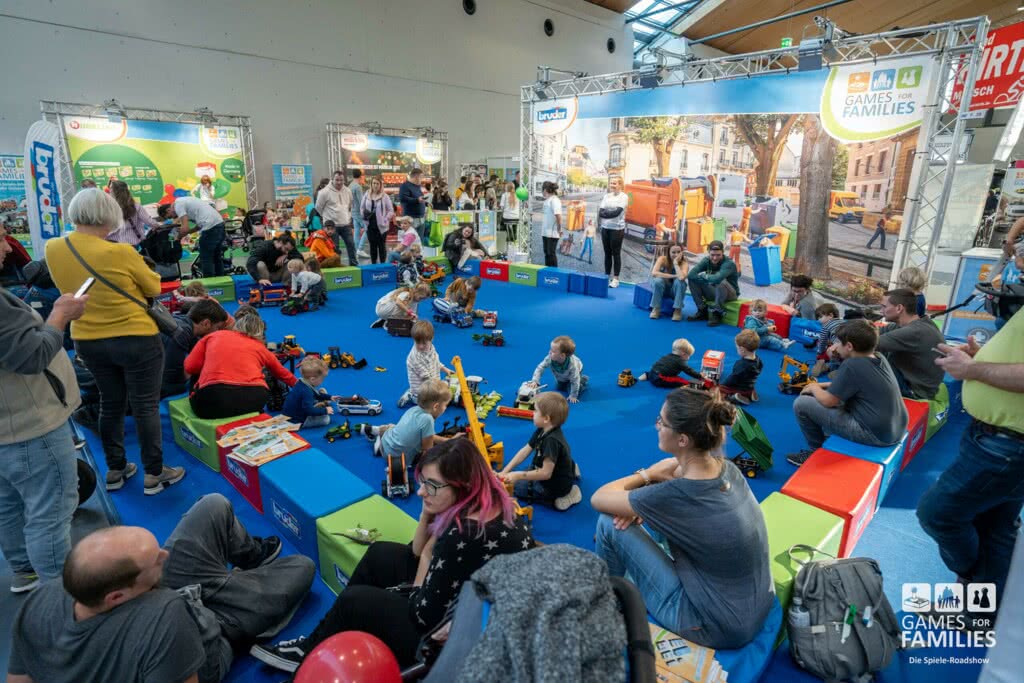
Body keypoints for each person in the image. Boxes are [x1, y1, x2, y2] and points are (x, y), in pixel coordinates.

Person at [253, 438, 533, 673]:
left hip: (455, 642)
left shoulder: (461, 533)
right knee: (380, 553)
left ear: (462, 486)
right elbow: (414, 551)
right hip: (467, 604)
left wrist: (423, 562)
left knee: (355, 602)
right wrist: (426, 515)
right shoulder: (485, 502)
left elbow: (422, 614)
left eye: (432, 485)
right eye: (422, 482)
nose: (421, 491)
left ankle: (311, 651)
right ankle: (325, 635)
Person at [9, 493, 314, 683]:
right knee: (302, 567)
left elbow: (17, 679)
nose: (165, 556)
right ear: (117, 596)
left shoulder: (43, 597)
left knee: (213, 505)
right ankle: (244, 616)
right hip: (211, 631)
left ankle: (249, 560)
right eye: (155, 560)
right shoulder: (164, 618)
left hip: (173, 600)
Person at [591, 388, 774, 649]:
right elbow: (676, 489)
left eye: (662, 422)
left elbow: (599, 498)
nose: (657, 426)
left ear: (683, 440)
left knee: (609, 523)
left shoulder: (676, 494)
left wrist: (648, 474)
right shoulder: (728, 469)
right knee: (644, 505)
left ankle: (604, 603)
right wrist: (646, 502)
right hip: (753, 607)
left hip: (712, 626)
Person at [48, 189, 184, 496]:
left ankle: (116, 469)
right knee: (145, 405)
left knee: (110, 403)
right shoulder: (121, 252)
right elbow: (153, 286)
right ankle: (154, 473)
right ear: (109, 215)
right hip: (136, 337)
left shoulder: (54, 248)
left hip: (87, 339)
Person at [918, 291, 1024, 609]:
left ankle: (975, 584)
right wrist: (980, 359)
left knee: (938, 514)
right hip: (998, 439)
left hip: (1007, 445)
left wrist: (974, 370)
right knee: (995, 526)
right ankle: (981, 609)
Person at [0, 234, 86, 593]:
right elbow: (32, 356)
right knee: (50, 512)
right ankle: (60, 596)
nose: (8, 248)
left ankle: (26, 571)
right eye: (0, 239)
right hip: (29, 426)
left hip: (10, 429)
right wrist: (60, 317)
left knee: (10, 504)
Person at [788, 320, 909, 466]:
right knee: (830, 395)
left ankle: (815, 452)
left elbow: (829, 401)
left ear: (849, 346)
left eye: (839, 343)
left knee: (802, 403)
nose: (836, 346)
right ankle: (829, 435)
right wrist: (821, 385)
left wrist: (814, 388)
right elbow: (853, 384)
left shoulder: (852, 365)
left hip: (874, 435)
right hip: (896, 429)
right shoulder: (878, 357)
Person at [184, 314, 298, 419]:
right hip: (255, 398)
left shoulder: (214, 336)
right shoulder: (262, 348)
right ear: (260, 332)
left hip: (211, 400)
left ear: (237, 325)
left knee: (198, 374)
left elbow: (190, 367)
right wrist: (304, 388)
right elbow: (284, 374)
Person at [499, 392, 582, 510]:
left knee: (516, 487)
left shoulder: (551, 441)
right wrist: (505, 471)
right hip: (555, 470)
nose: (533, 413)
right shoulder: (543, 429)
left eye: (536, 411)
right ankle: (570, 470)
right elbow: (525, 450)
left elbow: (545, 474)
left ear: (546, 418)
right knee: (519, 474)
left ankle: (570, 494)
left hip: (553, 485)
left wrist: (518, 475)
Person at [358, 379, 461, 459]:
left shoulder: (414, 410)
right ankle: (379, 448)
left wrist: (447, 440)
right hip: (396, 457)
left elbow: (429, 436)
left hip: (387, 441)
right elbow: (427, 450)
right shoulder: (428, 420)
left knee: (393, 427)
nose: (445, 408)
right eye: (445, 405)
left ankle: (376, 432)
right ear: (436, 406)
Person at [876, 288, 945, 399]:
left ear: (899, 308)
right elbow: (872, 333)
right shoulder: (916, 323)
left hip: (915, 392)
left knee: (862, 359)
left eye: (884, 306)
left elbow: (868, 343)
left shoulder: (914, 332)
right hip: (914, 382)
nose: (881, 311)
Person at [161, 299, 231, 398]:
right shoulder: (180, 333)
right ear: (206, 323)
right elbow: (172, 376)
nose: (218, 333)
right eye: (218, 328)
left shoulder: (184, 324)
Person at [157, 196, 227, 278]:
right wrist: (188, 232)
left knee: (206, 257)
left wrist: (176, 239)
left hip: (210, 227)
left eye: (170, 216)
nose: (173, 218)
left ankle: (209, 281)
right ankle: (221, 279)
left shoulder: (178, 204)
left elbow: (185, 228)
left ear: (168, 210)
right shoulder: (186, 203)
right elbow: (198, 226)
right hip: (220, 224)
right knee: (216, 256)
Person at [398, 320, 453, 408]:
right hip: (423, 387)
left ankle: (412, 393)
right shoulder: (415, 357)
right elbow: (426, 378)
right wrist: (441, 386)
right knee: (429, 402)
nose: (420, 346)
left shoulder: (431, 348)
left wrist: (445, 369)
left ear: (431, 339)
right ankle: (411, 395)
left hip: (431, 381)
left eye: (424, 343)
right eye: (417, 343)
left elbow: (435, 361)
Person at [687, 240, 739, 327]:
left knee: (720, 281)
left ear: (723, 252)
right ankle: (702, 310)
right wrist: (707, 279)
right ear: (708, 252)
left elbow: (717, 279)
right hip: (714, 290)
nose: (715, 258)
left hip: (730, 294)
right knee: (692, 280)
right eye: (712, 255)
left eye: (718, 255)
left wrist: (704, 276)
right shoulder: (706, 260)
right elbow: (691, 275)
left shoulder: (728, 263)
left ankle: (717, 312)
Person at [283, 356, 343, 429]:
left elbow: (316, 394)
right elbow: (309, 410)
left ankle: (321, 403)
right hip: (298, 420)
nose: (322, 381)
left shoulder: (301, 383)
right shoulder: (306, 392)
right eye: (322, 379)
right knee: (326, 419)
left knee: (314, 397)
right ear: (312, 379)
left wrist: (330, 397)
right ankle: (321, 405)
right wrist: (325, 410)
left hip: (290, 414)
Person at [529, 335, 587, 404]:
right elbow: (540, 368)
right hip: (562, 374)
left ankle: (582, 381)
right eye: (550, 349)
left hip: (576, 373)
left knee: (571, 387)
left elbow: (575, 380)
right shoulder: (549, 358)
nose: (549, 352)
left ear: (562, 355)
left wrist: (573, 395)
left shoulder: (573, 366)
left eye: (553, 351)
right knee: (559, 387)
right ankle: (567, 381)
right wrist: (535, 381)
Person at [315, 170, 356, 266]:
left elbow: (350, 205)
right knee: (334, 248)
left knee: (351, 245)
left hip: (345, 224)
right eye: (337, 180)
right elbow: (318, 208)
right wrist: (328, 219)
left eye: (341, 180)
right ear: (332, 179)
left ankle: (354, 265)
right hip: (331, 226)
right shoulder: (324, 192)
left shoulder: (348, 191)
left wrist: (348, 217)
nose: (339, 182)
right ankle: (335, 267)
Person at [106, 180, 162, 247]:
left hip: (113, 243)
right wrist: (159, 226)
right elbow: (150, 221)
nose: (109, 191)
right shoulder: (135, 206)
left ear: (114, 191)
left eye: (111, 188)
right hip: (132, 243)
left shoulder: (109, 207)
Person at [598, 176, 629, 288]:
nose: (612, 185)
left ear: (620, 185)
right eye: (611, 183)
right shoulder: (607, 196)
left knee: (616, 254)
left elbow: (617, 212)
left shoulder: (624, 197)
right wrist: (608, 213)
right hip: (605, 228)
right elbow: (601, 212)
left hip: (617, 229)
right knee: (607, 254)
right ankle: (606, 277)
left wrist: (607, 213)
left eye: (614, 183)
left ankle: (616, 279)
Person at [718, 329, 763, 405]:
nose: (737, 350)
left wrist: (722, 385)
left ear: (742, 349)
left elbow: (732, 379)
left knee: (719, 390)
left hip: (740, 389)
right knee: (747, 383)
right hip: (749, 387)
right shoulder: (758, 360)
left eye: (737, 348)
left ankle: (735, 397)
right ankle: (750, 394)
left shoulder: (741, 365)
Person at [639, 338, 704, 388]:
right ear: (684, 354)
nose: (689, 358)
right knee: (681, 381)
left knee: (654, 372)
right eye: (689, 356)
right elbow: (689, 370)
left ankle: (642, 377)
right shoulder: (680, 361)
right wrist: (699, 376)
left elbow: (658, 364)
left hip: (652, 373)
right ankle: (686, 385)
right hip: (659, 379)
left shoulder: (668, 355)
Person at [649, 244, 688, 321]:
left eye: (678, 252)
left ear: (682, 253)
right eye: (673, 252)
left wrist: (675, 263)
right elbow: (654, 273)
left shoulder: (684, 263)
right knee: (657, 281)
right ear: (668, 252)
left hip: (674, 291)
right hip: (662, 289)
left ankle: (677, 310)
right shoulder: (662, 259)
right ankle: (656, 308)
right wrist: (674, 276)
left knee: (680, 282)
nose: (676, 254)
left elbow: (681, 277)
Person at [361, 176, 394, 265]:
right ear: (371, 184)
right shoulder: (366, 194)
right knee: (372, 247)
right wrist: (364, 216)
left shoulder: (385, 196)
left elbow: (391, 210)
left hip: (382, 226)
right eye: (374, 183)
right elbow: (362, 207)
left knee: (381, 247)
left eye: (377, 183)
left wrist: (385, 219)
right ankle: (374, 265)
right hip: (370, 225)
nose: (375, 185)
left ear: (380, 185)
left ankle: (383, 265)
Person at [811, 303, 843, 376]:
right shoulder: (843, 321)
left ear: (830, 315)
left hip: (837, 347)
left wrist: (820, 352)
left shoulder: (826, 326)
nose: (819, 320)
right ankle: (842, 370)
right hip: (851, 345)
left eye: (820, 317)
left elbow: (822, 341)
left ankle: (830, 367)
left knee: (832, 354)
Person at [399, 168, 429, 242]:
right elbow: (403, 198)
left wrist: (426, 203)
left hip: (421, 218)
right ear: (416, 177)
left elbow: (419, 199)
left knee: (419, 242)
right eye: (421, 177)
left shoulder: (418, 186)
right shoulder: (405, 186)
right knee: (411, 242)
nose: (422, 179)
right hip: (411, 219)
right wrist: (417, 200)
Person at [541, 181, 562, 268]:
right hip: (545, 232)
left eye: (542, 189)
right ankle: (547, 271)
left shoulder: (555, 200)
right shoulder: (547, 200)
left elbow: (558, 216)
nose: (542, 192)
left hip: (552, 232)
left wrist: (559, 229)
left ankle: (554, 273)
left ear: (545, 190)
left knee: (551, 253)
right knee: (547, 253)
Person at [348, 169, 366, 257]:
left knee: (357, 231)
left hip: (353, 211)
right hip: (359, 211)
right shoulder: (358, 187)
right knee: (368, 229)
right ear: (361, 175)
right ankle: (360, 249)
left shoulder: (350, 185)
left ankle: (357, 250)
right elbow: (361, 201)